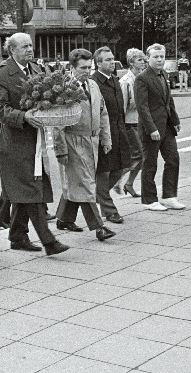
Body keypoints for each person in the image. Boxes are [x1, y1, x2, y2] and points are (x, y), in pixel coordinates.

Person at [0, 33, 69, 256]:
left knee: (26, 189)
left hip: (36, 138)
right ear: (12, 50)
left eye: (31, 45)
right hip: (14, 141)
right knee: (30, 190)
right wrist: (23, 117)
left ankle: (17, 236)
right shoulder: (2, 73)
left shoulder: (37, 70)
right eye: (24, 46)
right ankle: (49, 241)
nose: (30, 49)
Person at [54, 49, 116, 242]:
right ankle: (99, 227)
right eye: (83, 67)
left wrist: (106, 139)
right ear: (71, 67)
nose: (87, 71)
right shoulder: (64, 88)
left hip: (92, 141)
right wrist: (61, 150)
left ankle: (64, 218)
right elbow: (57, 122)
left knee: (77, 182)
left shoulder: (93, 85)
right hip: (73, 140)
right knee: (87, 183)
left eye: (90, 67)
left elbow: (103, 113)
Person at [134, 44, 184, 211]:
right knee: (150, 164)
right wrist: (151, 128)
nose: (159, 59)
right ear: (148, 58)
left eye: (162, 56)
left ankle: (169, 196)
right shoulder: (142, 78)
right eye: (156, 57)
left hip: (167, 127)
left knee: (173, 159)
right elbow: (142, 107)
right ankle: (149, 200)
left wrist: (175, 121)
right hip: (152, 129)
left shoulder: (163, 74)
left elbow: (168, 100)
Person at [91, 47, 131, 224]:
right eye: (107, 60)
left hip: (119, 130)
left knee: (121, 167)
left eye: (112, 59)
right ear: (98, 63)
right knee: (103, 172)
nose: (112, 62)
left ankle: (67, 212)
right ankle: (108, 210)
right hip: (102, 133)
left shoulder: (115, 80)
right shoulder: (94, 82)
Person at [118, 48, 146, 198]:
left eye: (143, 59)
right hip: (129, 124)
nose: (143, 62)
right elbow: (121, 107)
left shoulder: (141, 79)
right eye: (140, 59)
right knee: (139, 156)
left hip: (141, 123)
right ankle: (115, 179)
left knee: (141, 157)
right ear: (131, 62)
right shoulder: (125, 82)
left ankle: (129, 184)